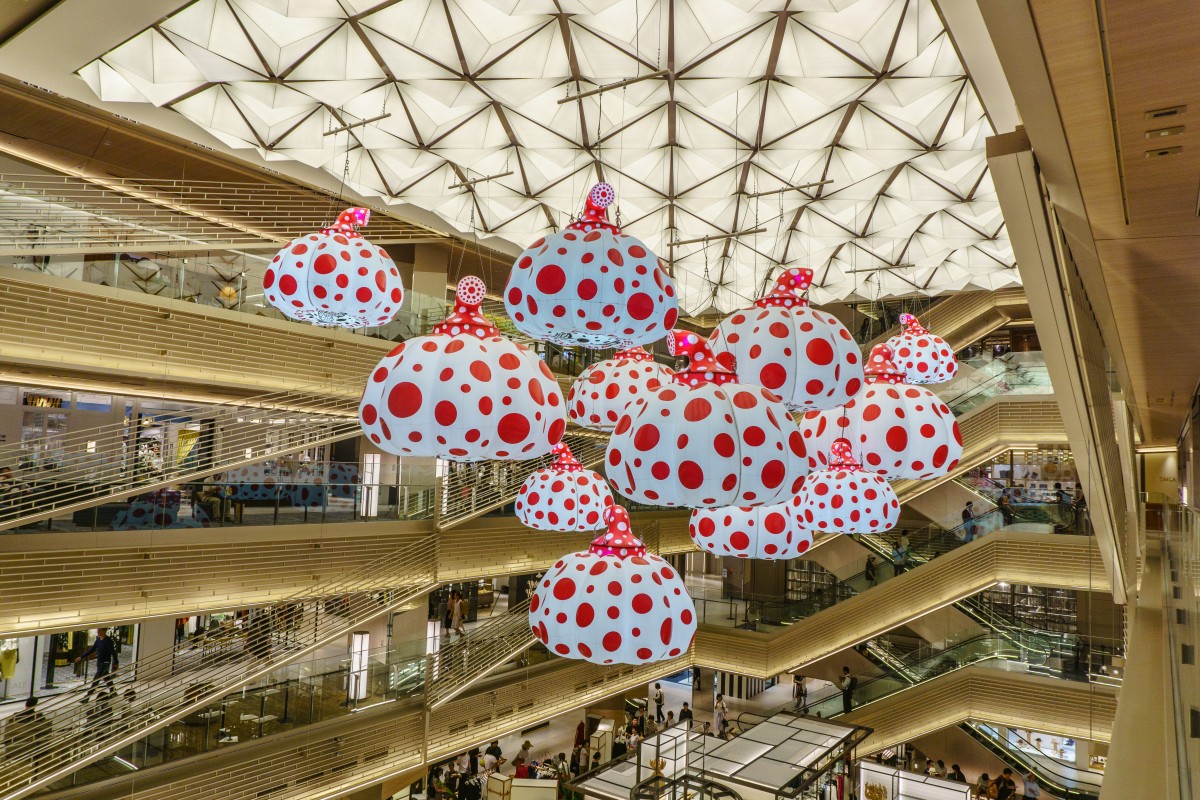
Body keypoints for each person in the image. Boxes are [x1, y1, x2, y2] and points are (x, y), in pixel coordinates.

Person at [4, 697, 51, 780]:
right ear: (35, 705)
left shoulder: (17, 716)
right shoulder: (39, 716)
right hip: (34, 743)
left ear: (26, 704)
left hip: (18, 744)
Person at [76, 628, 119, 702]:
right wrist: (81, 657)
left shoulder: (108, 640)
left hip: (105, 663)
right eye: (98, 630)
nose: (97, 632)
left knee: (96, 680)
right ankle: (114, 692)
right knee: (107, 678)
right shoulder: (98, 640)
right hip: (99, 663)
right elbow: (92, 650)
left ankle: (87, 697)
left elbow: (113, 652)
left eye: (99, 630)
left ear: (104, 631)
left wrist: (116, 662)